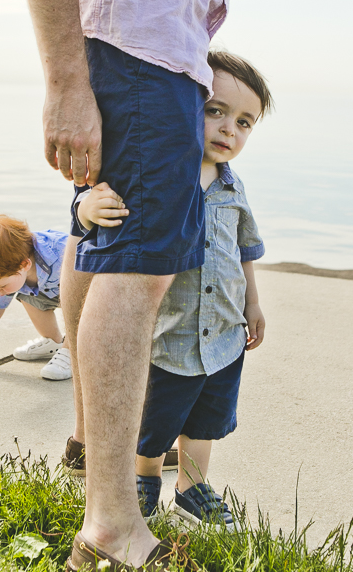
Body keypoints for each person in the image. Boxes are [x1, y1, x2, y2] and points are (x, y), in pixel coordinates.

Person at [9, 0, 241, 568]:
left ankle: (92, 449)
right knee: (138, 270)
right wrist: (64, 81)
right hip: (138, 48)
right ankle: (112, 525)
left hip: (150, 47)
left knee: (107, 246)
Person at [77, 51, 272, 532]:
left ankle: (192, 485)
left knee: (205, 420)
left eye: (244, 122)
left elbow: (246, 247)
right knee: (155, 420)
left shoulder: (233, 186)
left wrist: (254, 302)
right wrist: (86, 207)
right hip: (171, 334)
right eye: (216, 111)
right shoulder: (165, 175)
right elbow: (94, 209)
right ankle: (144, 478)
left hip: (224, 332)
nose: (230, 129)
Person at [0, 215, 73, 381]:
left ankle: (72, 350)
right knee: (25, 292)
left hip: (84, 292)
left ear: (24, 265)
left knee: (77, 303)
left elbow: (89, 294)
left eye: (1, 286)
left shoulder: (63, 253)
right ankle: (53, 341)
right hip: (53, 290)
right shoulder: (13, 268)